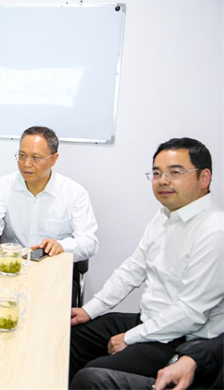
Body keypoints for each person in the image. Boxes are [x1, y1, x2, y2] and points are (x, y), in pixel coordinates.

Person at [69, 137, 224, 381]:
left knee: (91, 375)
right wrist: (90, 310)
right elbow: (132, 270)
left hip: (181, 339)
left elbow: (190, 313)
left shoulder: (214, 232)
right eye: (157, 173)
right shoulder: (164, 216)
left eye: (175, 172)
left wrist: (130, 338)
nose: (163, 180)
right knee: (70, 336)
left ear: (203, 177)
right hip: (148, 321)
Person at [0, 126, 98, 304]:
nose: (26, 164)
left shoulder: (74, 193)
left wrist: (62, 245)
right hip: (10, 269)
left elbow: (89, 242)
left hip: (53, 274)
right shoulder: (3, 186)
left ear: (54, 159)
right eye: (22, 155)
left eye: (35, 158)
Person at [70, 334, 223, 390]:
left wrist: (130, 337)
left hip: (172, 335)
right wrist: (193, 358)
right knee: (90, 379)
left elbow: (190, 312)